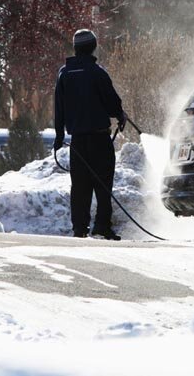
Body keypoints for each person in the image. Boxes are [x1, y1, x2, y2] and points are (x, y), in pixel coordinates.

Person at [54, 29, 127, 240]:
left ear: (75, 48)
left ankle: (79, 228)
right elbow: (113, 104)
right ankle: (102, 225)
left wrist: (59, 137)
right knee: (103, 184)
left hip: (77, 141)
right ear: (93, 47)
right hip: (99, 139)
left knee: (80, 186)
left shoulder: (64, 74)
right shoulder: (98, 73)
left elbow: (58, 109)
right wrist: (120, 115)